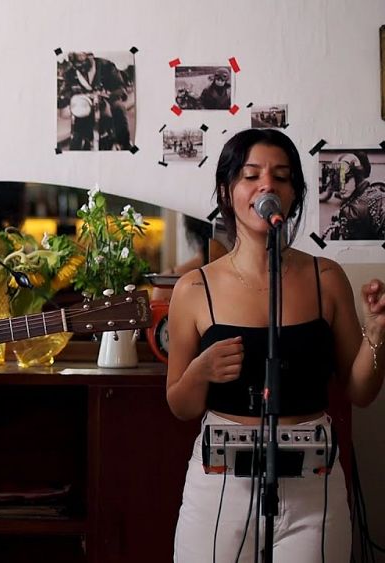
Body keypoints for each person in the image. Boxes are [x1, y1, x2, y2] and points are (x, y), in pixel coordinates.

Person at [166, 128, 385, 561]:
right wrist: (201, 371)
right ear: (227, 192)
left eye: (281, 177)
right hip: (221, 486)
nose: (267, 185)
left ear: (294, 194)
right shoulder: (194, 288)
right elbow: (181, 405)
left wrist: (377, 332)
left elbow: (360, 391)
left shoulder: (326, 278)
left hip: (314, 486)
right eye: (251, 175)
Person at [57, 52, 132, 150]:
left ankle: (124, 143)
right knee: (76, 126)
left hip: (105, 102)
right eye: (77, 63)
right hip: (84, 105)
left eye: (82, 58)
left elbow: (120, 86)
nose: (80, 66)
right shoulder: (70, 73)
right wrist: (63, 98)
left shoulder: (106, 66)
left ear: (90, 56)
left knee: (118, 106)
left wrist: (113, 93)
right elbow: (65, 90)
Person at [323, 151, 385, 241]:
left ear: (357, 177)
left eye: (346, 180)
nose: (342, 188)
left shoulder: (375, 202)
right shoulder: (356, 196)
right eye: (338, 182)